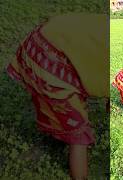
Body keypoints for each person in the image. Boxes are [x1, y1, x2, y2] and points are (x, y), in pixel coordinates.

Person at [6, 13, 108, 180]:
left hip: (39, 40)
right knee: (79, 135)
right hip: (50, 62)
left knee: (52, 103)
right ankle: (80, 176)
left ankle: (55, 130)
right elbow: (105, 82)